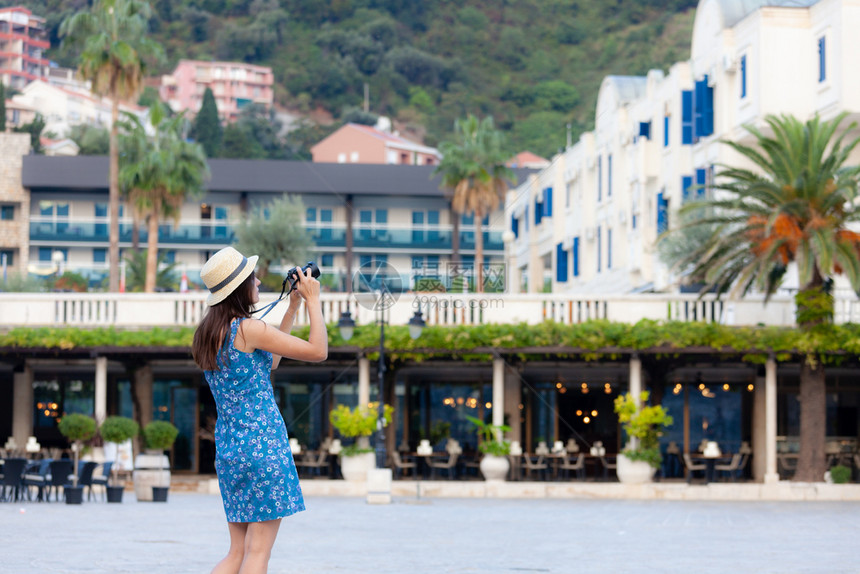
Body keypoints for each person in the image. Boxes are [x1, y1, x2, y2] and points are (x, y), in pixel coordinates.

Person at [192, 246, 327, 574]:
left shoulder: (209, 335)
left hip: (230, 450)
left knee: (237, 552)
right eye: (252, 277)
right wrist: (313, 300)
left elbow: (273, 361)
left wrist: (292, 307)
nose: (258, 282)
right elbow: (318, 351)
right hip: (263, 447)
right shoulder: (249, 329)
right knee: (258, 553)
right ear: (241, 288)